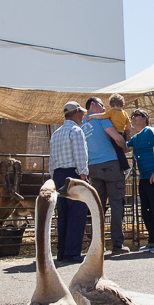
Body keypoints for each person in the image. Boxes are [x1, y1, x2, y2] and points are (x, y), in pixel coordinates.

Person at [82, 96, 130, 255]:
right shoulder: (103, 119)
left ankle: (97, 246)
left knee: (98, 207)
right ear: (93, 105)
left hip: (93, 167)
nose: (104, 109)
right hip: (110, 164)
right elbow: (116, 137)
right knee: (117, 204)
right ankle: (117, 245)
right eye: (102, 105)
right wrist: (125, 148)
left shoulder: (83, 124)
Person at [48, 100, 91, 263]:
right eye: (81, 113)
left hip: (58, 174)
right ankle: (73, 252)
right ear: (76, 113)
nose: (82, 116)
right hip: (73, 174)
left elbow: (52, 160)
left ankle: (62, 251)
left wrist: (53, 178)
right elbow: (80, 155)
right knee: (77, 213)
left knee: (63, 214)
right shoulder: (76, 130)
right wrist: (83, 175)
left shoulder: (56, 133)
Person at [126, 109, 154, 253]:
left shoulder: (150, 131)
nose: (132, 118)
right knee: (146, 211)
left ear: (145, 118)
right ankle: (153, 240)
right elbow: (124, 147)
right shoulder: (136, 136)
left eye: (135, 116)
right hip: (144, 178)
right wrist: (123, 132)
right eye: (131, 116)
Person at [93, 93, 131, 171]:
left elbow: (102, 116)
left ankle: (126, 167)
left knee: (117, 152)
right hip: (122, 134)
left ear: (110, 105)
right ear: (122, 105)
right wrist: (127, 133)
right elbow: (128, 125)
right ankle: (124, 167)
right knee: (120, 151)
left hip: (115, 134)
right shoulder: (124, 113)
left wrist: (92, 116)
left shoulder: (112, 111)